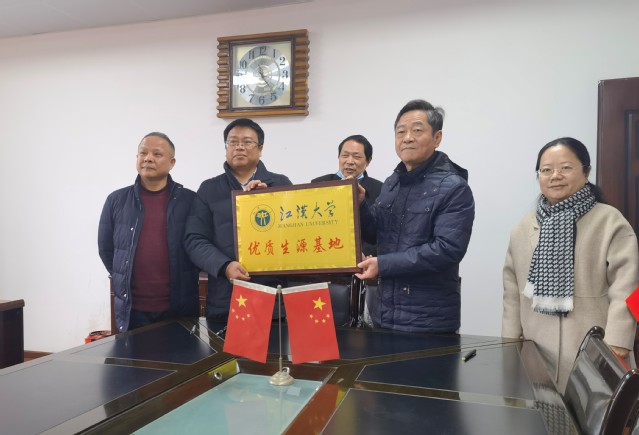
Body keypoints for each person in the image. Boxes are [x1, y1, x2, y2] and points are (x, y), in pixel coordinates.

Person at [502, 137, 638, 393]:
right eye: (546, 170)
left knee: (598, 415)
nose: (555, 176)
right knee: (541, 413)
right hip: (537, 353)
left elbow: (630, 287)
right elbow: (511, 294)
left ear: (586, 173)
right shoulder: (524, 227)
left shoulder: (610, 221)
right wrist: (509, 346)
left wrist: (619, 340)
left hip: (596, 350)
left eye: (566, 168)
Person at [355, 99, 475, 333]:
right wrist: (360, 205)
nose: (407, 137)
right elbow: (375, 232)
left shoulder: (454, 188)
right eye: (401, 131)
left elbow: (446, 250)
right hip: (383, 314)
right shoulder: (392, 183)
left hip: (428, 320)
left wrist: (383, 265)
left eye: (417, 130)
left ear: (437, 138)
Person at [184, 118, 292, 319]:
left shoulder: (280, 184)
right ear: (226, 148)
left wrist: (270, 200)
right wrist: (224, 266)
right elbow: (194, 240)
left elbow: (295, 232)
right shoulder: (209, 189)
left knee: (274, 340)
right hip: (226, 297)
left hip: (273, 297)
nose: (239, 147)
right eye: (233, 142)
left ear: (260, 149)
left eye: (247, 142)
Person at [98, 132, 199, 332]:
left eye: (157, 154)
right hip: (132, 310)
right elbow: (106, 248)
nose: (148, 158)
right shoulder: (116, 200)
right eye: (143, 153)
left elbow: (199, 246)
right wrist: (123, 277)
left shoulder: (190, 200)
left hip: (179, 308)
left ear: (172, 162)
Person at [311, 134, 383, 256]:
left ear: (368, 161)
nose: (349, 162)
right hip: (326, 255)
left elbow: (379, 234)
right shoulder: (318, 185)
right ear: (339, 157)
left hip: (364, 259)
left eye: (356, 157)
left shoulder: (380, 189)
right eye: (345, 155)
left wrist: (365, 255)